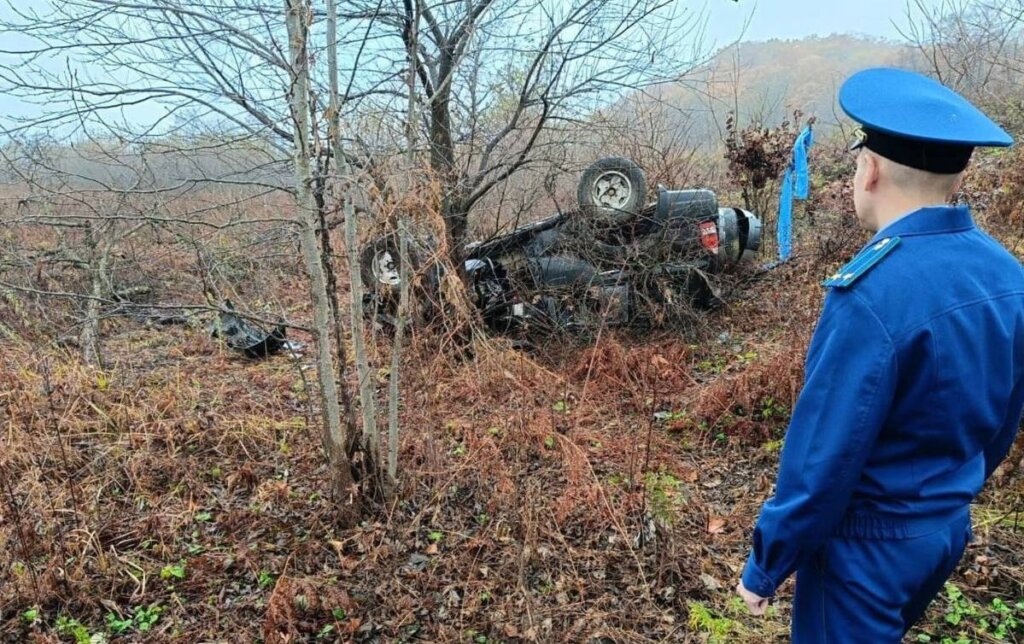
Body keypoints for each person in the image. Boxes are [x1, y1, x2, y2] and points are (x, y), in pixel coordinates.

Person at [736, 67, 1024, 642]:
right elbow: (1004, 420)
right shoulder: (1008, 275)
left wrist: (768, 563)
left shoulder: (870, 293)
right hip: (943, 529)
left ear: (868, 170)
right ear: (957, 173)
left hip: (865, 550)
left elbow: (823, 455)